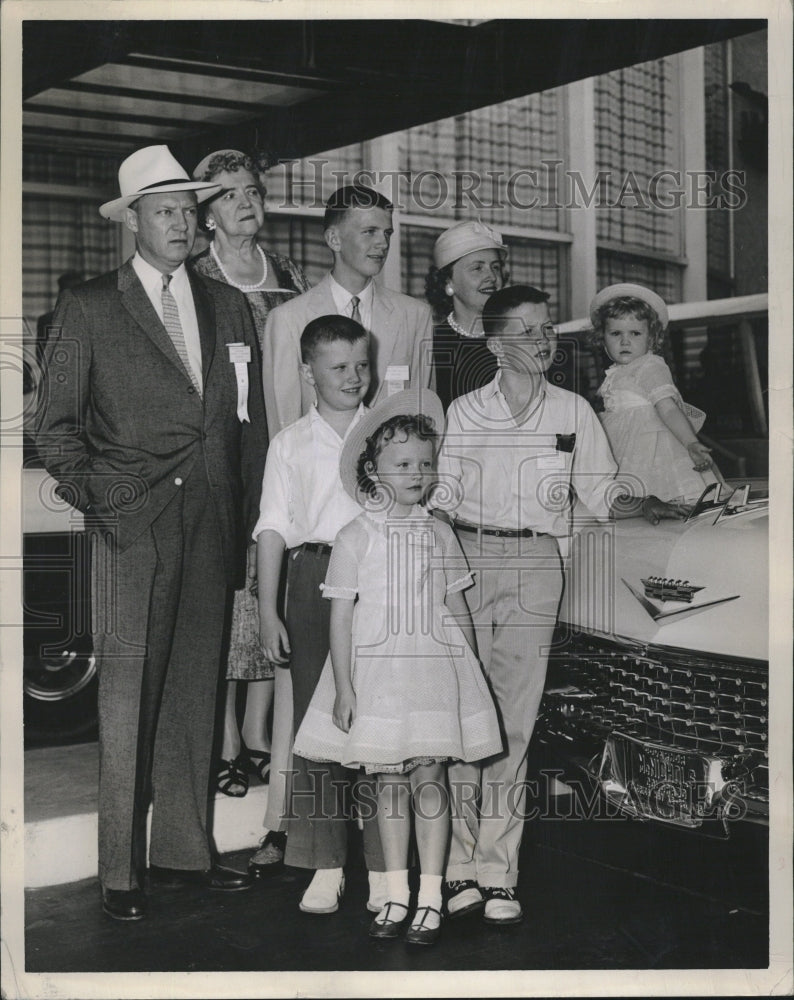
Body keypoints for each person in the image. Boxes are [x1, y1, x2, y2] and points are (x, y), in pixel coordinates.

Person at [34, 145, 269, 921]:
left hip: (212, 520)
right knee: (130, 696)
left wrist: (246, 516)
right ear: (130, 221)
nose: (180, 222)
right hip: (133, 524)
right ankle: (120, 872)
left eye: (187, 210)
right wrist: (107, 504)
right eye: (163, 209)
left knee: (196, 693)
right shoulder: (91, 305)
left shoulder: (231, 306)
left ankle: (182, 854)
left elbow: (250, 428)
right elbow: (57, 432)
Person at [437, 284, 688, 926]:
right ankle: (457, 867)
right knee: (464, 718)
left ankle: (497, 873)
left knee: (515, 726)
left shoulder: (576, 410)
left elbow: (605, 495)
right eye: (526, 331)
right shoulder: (464, 410)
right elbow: (440, 499)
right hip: (465, 560)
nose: (543, 341)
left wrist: (659, 504)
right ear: (494, 345)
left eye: (548, 330)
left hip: (537, 566)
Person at [292, 389, 502, 946]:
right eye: (402, 464)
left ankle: (431, 898)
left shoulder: (439, 531)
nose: (416, 473)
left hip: (434, 669)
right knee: (387, 781)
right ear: (372, 470)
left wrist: (471, 672)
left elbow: (457, 608)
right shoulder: (354, 536)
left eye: (425, 464)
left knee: (430, 778)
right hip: (377, 673)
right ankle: (395, 894)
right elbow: (340, 619)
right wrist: (343, 687)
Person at [252, 314, 386, 911]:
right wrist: (266, 608)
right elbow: (274, 528)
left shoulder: (387, 433)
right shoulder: (290, 443)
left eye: (361, 364)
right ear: (309, 372)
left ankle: (387, 866)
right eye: (339, 367)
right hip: (311, 579)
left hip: (380, 580)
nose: (354, 377)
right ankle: (324, 863)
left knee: (382, 719)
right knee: (316, 723)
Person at [190, 149, 310, 806]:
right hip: (223, 459)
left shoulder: (289, 275)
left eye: (252, 191)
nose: (245, 202)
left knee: (276, 587)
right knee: (229, 595)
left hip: (283, 452)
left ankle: (261, 734)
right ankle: (225, 742)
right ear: (205, 214)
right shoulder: (196, 277)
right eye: (228, 194)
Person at [262, 184, 433, 434]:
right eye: (369, 232)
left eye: (387, 233)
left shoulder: (415, 315)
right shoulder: (287, 319)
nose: (382, 243)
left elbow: (422, 415)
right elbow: (283, 424)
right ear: (334, 239)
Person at [589, 282, 724, 501]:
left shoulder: (649, 366)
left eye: (635, 333)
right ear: (603, 340)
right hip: (621, 447)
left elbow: (668, 409)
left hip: (652, 450)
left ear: (651, 339)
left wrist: (690, 442)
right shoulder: (615, 374)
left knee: (664, 496)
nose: (625, 341)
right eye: (615, 333)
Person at [425, 220, 507, 409]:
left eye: (495, 267)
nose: (492, 277)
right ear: (448, 282)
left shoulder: (516, 338)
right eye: (478, 268)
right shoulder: (431, 345)